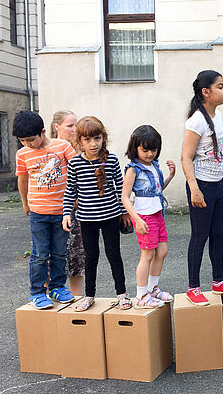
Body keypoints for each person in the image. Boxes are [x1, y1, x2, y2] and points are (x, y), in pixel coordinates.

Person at [181, 70, 223, 306]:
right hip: (201, 187)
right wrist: (194, 188)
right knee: (200, 237)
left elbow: (214, 150)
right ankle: (193, 287)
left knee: (218, 235)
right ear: (206, 92)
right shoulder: (196, 120)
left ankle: (219, 282)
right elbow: (186, 157)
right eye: (220, 86)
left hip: (218, 185)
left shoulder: (217, 116)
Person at [62, 116, 132, 311]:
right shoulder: (75, 163)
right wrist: (66, 213)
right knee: (91, 257)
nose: (93, 144)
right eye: (87, 140)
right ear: (80, 142)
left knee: (114, 255)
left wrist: (125, 212)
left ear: (103, 138)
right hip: (87, 220)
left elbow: (121, 189)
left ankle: (122, 294)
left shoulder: (111, 160)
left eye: (97, 138)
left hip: (111, 216)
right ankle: (89, 295)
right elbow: (70, 191)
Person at [13, 110, 76, 309]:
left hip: (61, 212)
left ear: (42, 132)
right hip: (38, 213)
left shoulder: (63, 146)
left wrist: (76, 198)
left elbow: (76, 172)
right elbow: (22, 179)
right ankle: (38, 292)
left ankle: (58, 286)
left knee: (59, 252)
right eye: (22, 141)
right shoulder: (22, 154)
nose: (27, 144)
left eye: (31, 139)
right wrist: (25, 202)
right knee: (40, 253)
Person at [121, 125, 176, 308]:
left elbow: (157, 191)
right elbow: (124, 197)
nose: (150, 154)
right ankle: (141, 295)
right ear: (135, 147)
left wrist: (170, 176)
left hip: (158, 213)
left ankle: (153, 289)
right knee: (147, 255)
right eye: (145, 150)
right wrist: (136, 219)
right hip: (144, 217)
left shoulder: (154, 165)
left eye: (153, 149)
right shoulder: (133, 169)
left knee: (162, 251)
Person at [50, 110, 85, 296]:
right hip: (51, 211)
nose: (74, 129)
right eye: (70, 125)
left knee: (76, 258)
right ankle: (50, 298)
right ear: (57, 127)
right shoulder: (48, 149)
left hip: (75, 212)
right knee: (50, 258)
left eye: (75, 125)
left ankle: (76, 299)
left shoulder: (80, 150)